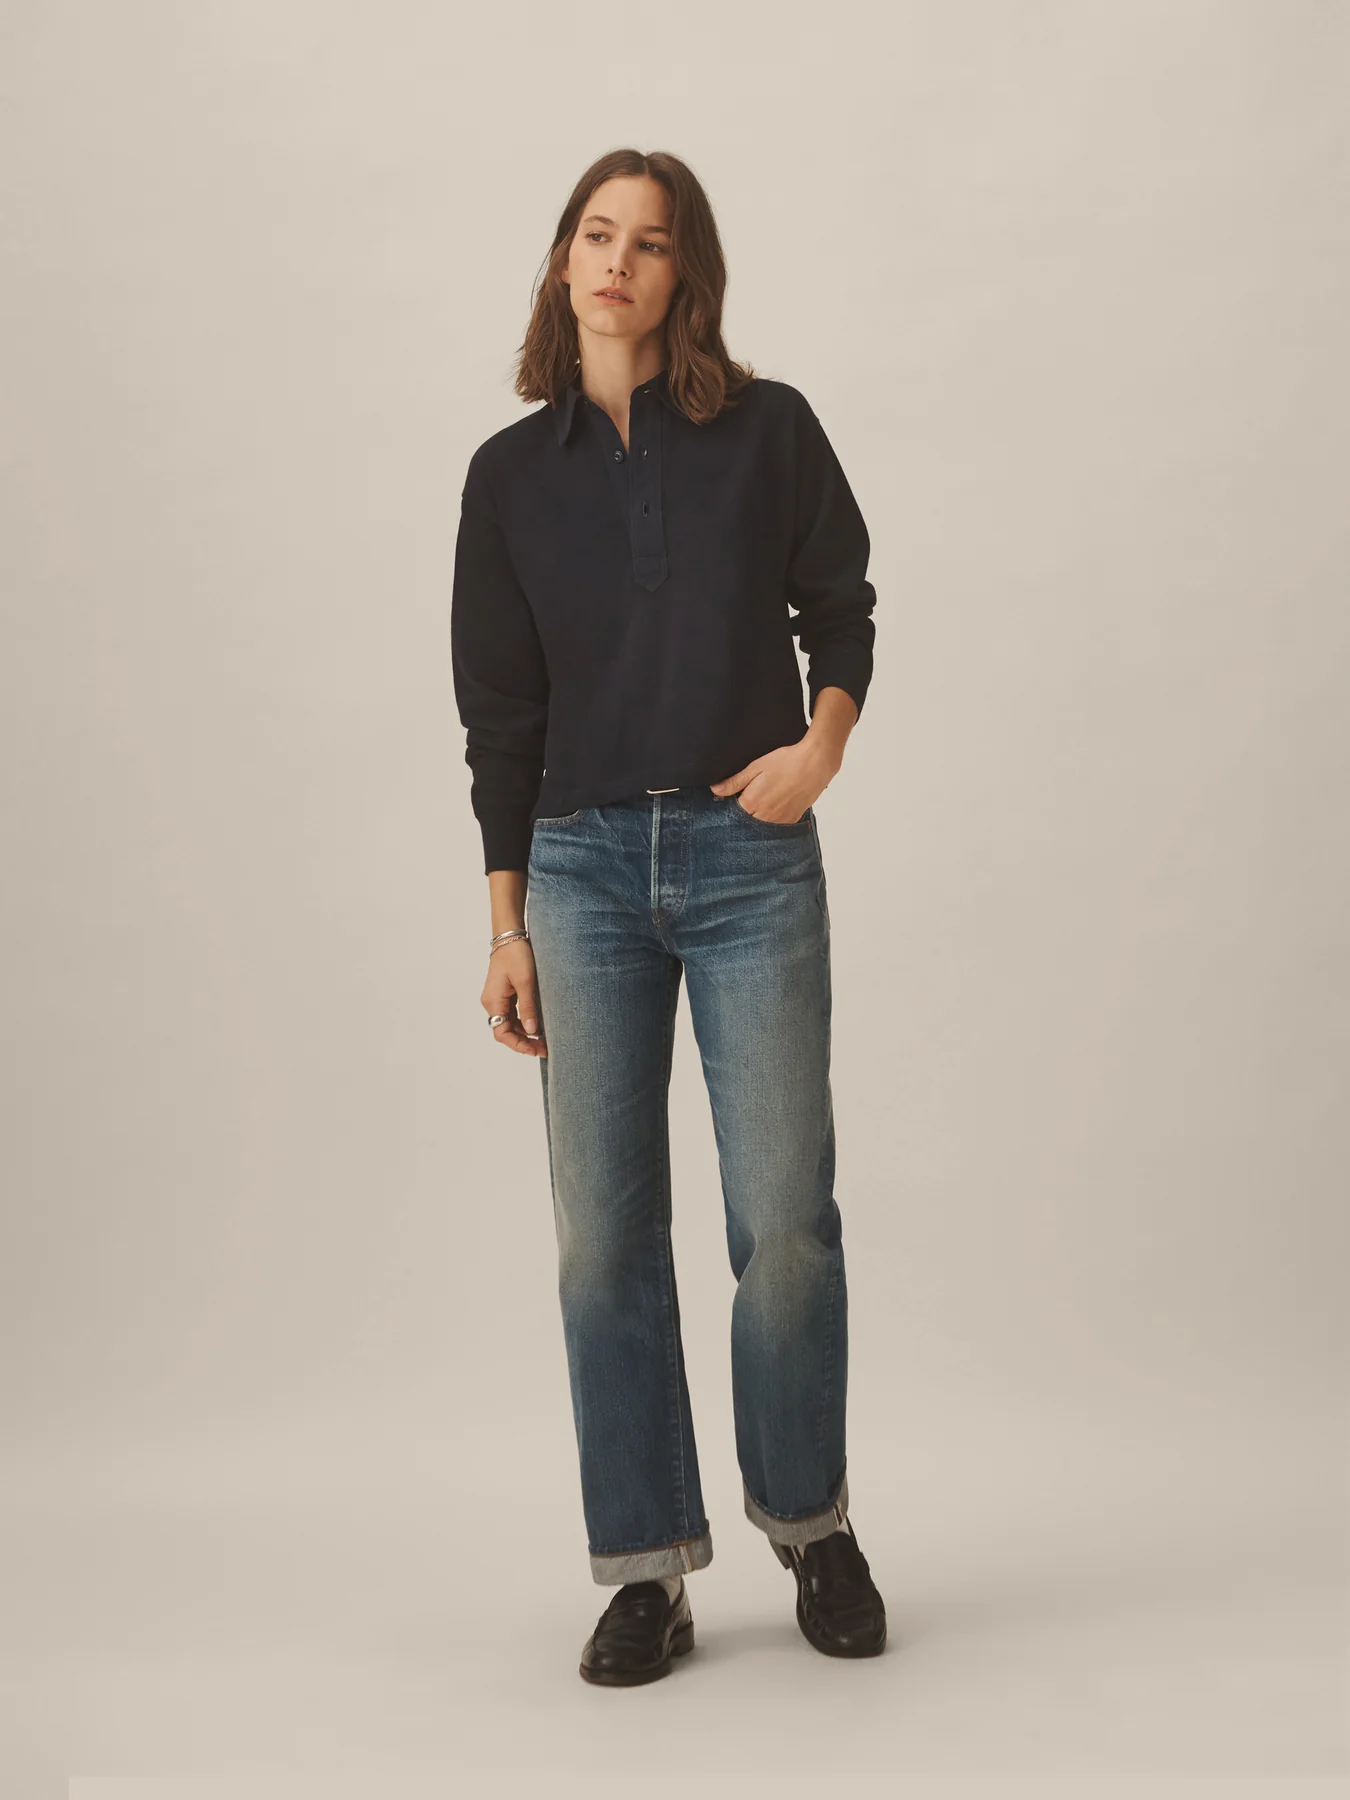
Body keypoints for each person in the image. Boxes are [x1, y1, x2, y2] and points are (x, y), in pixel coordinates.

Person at [451, 148, 887, 1685]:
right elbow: (499, 719)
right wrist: (505, 925)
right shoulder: (510, 475)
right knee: (604, 1244)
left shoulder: (767, 430)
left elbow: (840, 605)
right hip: (576, 878)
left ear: (684, 272)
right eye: (595, 234)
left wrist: (819, 747)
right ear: (561, 258)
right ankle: (644, 1568)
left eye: (647, 242)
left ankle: (810, 1525)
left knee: (785, 1223)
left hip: (746, 861)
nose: (616, 263)